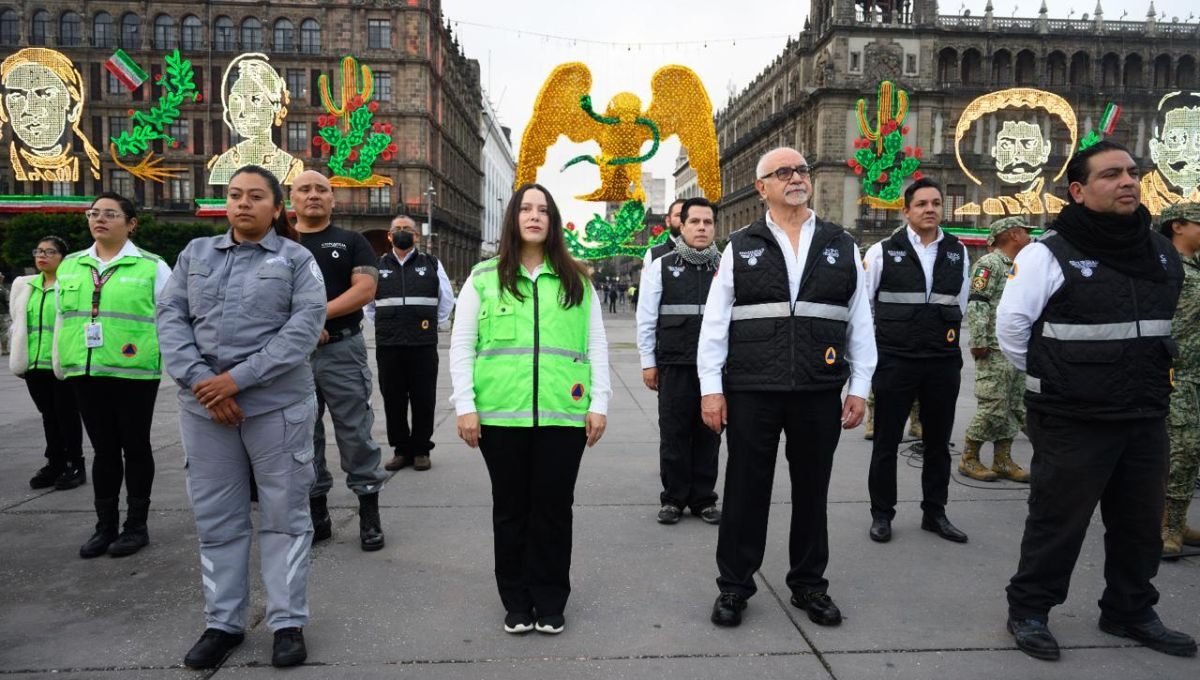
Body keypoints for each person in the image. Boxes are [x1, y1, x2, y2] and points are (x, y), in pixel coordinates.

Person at [999, 141, 1196, 660]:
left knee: (1138, 523)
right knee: (1057, 520)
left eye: (1132, 172)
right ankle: (1030, 610)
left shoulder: (1158, 250)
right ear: (1080, 191)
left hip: (1144, 410)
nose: (1128, 181)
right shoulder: (1049, 252)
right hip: (1072, 415)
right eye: (1112, 175)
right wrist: (1055, 378)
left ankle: (1129, 609)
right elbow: (1012, 328)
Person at [158, 165, 327, 669]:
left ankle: (287, 622)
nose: (243, 204)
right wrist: (202, 383)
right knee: (218, 519)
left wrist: (237, 380)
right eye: (235, 196)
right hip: (205, 409)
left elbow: (303, 329)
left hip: (276, 408)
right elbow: (170, 318)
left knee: (284, 518)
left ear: (278, 208)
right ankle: (223, 622)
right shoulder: (195, 255)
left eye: (256, 197)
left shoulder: (297, 260)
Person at [699, 147, 875, 628]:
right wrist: (710, 389)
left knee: (812, 490)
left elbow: (860, 321)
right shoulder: (740, 244)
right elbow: (715, 324)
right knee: (744, 490)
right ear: (762, 187)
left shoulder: (841, 243)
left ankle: (809, 585)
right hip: (753, 388)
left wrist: (859, 386)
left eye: (801, 170)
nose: (796, 177)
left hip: (819, 389)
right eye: (783, 172)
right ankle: (734, 587)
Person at [449, 183, 610, 636]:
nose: (534, 216)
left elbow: (595, 344)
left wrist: (599, 403)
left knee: (555, 510)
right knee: (511, 509)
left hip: (564, 415)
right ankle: (517, 600)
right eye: (526, 209)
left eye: (543, 209)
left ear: (553, 221)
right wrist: (466, 406)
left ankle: (551, 598)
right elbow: (462, 346)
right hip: (500, 417)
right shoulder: (484, 278)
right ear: (513, 219)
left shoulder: (578, 279)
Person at [54, 192, 172, 558]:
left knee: (135, 447)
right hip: (86, 372)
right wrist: (61, 361)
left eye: (110, 214)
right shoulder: (71, 265)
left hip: (134, 373)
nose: (99, 219)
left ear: (131, 223)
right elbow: (63, 317)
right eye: (94, 213)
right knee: (103, 451)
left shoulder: (152, 266)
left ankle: (136, 526)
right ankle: (104, 527)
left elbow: (171, 319)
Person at [863, 177, 971, 545]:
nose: (930, 209)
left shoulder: (958, 251)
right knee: (886, 442)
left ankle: (935, 513)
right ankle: (882, 514)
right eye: (922, 203)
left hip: (942, 360)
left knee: (938, 443)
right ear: (906, 210)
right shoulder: (881, 251)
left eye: (936, 203)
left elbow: (961, 301)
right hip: (896, 359)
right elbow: (865, 306)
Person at [291, 170, 389, 551]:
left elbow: (364, 288)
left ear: (333, 199)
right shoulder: (280, 243)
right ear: (292, 198)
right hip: (292, 356)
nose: (313, 195)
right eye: (305, 189)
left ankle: (369, 512)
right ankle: (317, 513)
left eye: (322, 190)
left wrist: (313, 318)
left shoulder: (352, 242)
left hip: (342, 352)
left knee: (355, 431)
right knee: (302, 435)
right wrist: (301, 329)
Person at [636, 197, 722, 526]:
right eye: (695, 222)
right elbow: (646, 317)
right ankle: (673, 498)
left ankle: (703, 498)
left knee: (709, 433)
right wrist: (648, 361)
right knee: (674, 433)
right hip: (674, 363)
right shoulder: (662, 264)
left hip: (714, 367)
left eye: (708, 222)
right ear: (681, 226)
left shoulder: (725, 265)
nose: (702, 227)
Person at [374, 214, 455, 472]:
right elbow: (368, 305)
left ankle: (421, 450)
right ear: (389, 236)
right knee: (393, 399)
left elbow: (446, 300)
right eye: (397, 229)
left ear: (416, 235)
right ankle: (401, 450)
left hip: (423, 344)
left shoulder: (431, 263)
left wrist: (429, 322)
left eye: (407, 229)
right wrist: (388, 323)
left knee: (424, 398)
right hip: (389, 344)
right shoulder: (377, 266)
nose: (402, 232)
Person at [9, 236, 85, 490]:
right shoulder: (25, 286)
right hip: (34, 364)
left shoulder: (71, 284)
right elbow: (17, 321)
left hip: (61, 363)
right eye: (38, 251)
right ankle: (55, 463)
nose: (42, 256)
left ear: (62, 258)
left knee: (67, 415)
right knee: (48, 416)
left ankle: (75, 464)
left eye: (50, 252)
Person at [960, 217, 1032, 482]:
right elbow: (978, 303)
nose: (1028, 237)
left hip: (1016, 350)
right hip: (993, 348)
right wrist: (978, 340)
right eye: (1025, 232)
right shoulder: (988, 264)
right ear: (1013, 234)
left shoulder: (1020, 265)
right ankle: (969, 457)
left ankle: (1003, 459)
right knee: (992, 406)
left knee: (1013, 406)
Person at [1158, 202, 1200, 558]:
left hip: (1196, 373)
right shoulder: (1163, 266)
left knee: (1193, 452)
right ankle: (1165, 526)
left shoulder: (1196, 267)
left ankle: (1179, 520)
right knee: (1180, 452)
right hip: (1175, 374)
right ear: (1179, 227)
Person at [0, 47, 101, 182]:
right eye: (17, 95)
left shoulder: (94, 165)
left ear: (73, 107)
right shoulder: (6, 161)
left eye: (46, 94)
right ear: (4, 108)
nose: (31, 108)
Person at [208, 54, 302, 186]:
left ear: (275, 106)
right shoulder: (224, 163)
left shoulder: (290, 167)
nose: (244, 111)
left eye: (255, 99)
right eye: (237, 99)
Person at [642, 198, 685, 268]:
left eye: (688, 216)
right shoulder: (653, 254)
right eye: (678, 215)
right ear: (668, 221)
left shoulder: (704, 253)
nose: (684, 219)